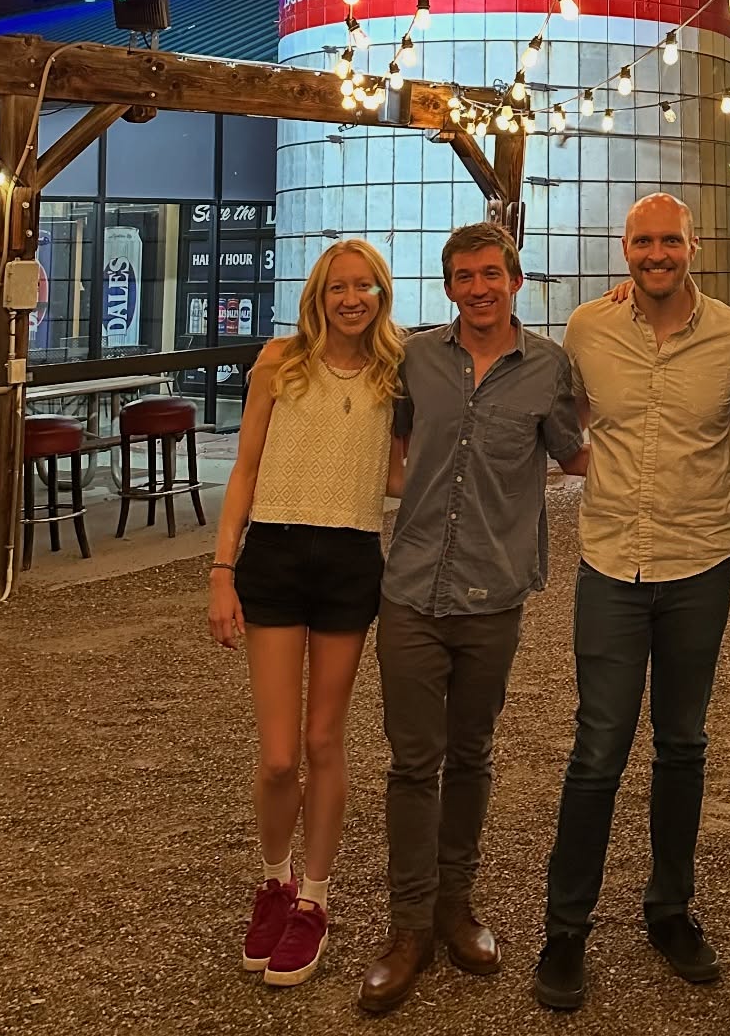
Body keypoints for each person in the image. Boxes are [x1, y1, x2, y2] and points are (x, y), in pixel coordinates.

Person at [533, 193, 730, 1012]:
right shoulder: (587, 330)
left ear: (691, 246)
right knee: (597, 748)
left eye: (670, 240)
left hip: (700, 562)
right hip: (611, 564)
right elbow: (568, 430)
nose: (657, 253)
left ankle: (670, 911)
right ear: (624, 249)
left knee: (683, 743)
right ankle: (565, 930)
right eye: (643, 242)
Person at [358, 223, 589, 1016]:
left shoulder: (550, 368)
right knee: (411, 762)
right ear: (450, 287)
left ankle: (456, 906)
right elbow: (382, 445)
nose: (479, 288)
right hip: (412, 590)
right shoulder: (416, 359)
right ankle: (408, 926)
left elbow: (575, 456)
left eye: (492, 274)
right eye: (464, 276)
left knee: (473, 753)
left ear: (515, 281)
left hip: (493, 593)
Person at [208, 239, 406, 989]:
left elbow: (393, 474)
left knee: (326, 739)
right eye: (338, 288)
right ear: (319, 294)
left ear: (382, 296)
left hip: (352, 558)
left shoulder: (396, 372)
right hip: (276, 556)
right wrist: (222, 570)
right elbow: (246, 469)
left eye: (365, 287)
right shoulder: (280, 361)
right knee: (279, 754)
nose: (351, 299)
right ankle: (274, 878)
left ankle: (315, 899)